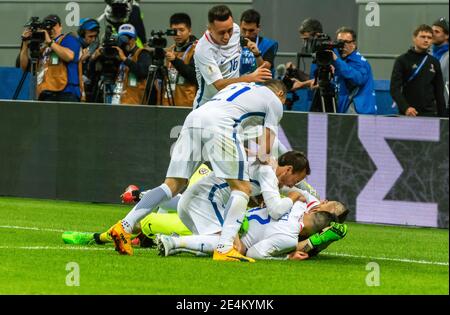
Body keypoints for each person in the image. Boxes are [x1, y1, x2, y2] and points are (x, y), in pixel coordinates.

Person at [106, 80, 286, 262]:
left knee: (172, 185)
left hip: (195, 118)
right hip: (221, 124)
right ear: (280, 94)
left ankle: (124, 226)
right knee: (242, 188)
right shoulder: (275, 101)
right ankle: (224, 248)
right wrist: (265, 161)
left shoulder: (242, 87)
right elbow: (265, 151)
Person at [193, 5, 273, 108]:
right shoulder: (203, 50)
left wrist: (248, 45)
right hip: (208, 105)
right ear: (210, 29)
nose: (227, 36)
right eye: (221, 32)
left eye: (229, 30)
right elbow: (219, 85)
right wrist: (250, 78)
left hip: (232, 102)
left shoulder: (235, 29)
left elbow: (237, 41)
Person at [20, 14, 82, 102]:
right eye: (48, 26)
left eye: (53, 25)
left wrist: (50, 42)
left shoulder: (68, 39)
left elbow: (69, 56)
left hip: (66, 93)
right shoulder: (43, 48)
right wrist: (25, 44)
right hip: (45, 93)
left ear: (60, 27)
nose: (51, 29)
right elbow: (24, 67)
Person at [390, 24, 446, 117]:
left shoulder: (434, 62)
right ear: (414, 38)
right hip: (408, 114)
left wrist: (443, 118)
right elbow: (394, 89)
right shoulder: (402, 60)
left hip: (429, 114)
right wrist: (406, 108)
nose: (426, 40)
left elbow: (439, 93)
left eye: (429, 37)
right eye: (423, 37)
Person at [329, 27, 377, 114]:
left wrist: (336, 61)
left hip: (359, 114)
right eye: (339, 42)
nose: (342, 45)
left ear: (354, 44)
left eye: (346, 42)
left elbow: (358, 79)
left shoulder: (360, 62)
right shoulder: (339, 61)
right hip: (344, 110)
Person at [156, 13, 198, 107]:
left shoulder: (196, 49)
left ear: (189, 31)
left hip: (188, 105)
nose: (178, 34)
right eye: (174, 31)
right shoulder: (170, 49)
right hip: (168, 102)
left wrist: (175, 60)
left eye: (182, 30)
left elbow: (194, 76)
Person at [105, 24, 151, 105]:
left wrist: (125, 59)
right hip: (118, 100)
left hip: (134, 103)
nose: (126, 42)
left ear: (134, 39)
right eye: (122, 38)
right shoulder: (121, 54)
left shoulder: (142, 53)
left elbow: (143, 72)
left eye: (128, 38)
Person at [239, 9, 278, 77]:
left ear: (258, 27)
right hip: (237, 84)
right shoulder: (233, 43)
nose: (247, 34)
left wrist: (257, 54)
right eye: (244, 29)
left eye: (251, 30)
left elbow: (265, 70)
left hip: (260, 85)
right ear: (240, 26)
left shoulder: (268, 44)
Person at [77, 18, 101, 102]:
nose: (93, 39)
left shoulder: (96, 49)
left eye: (95, 36)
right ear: (82, 34)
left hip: (92, 91)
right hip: (77, 92)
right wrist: (80, 59)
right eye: (90, 36)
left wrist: (93, 59)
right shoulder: (73, 47)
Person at [432, 18, 449, 109]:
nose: (432, 34)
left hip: (444, 108)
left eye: (437, 31)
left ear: (447, 36)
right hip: (429, 108)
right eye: (432, 31)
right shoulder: (428, 54)